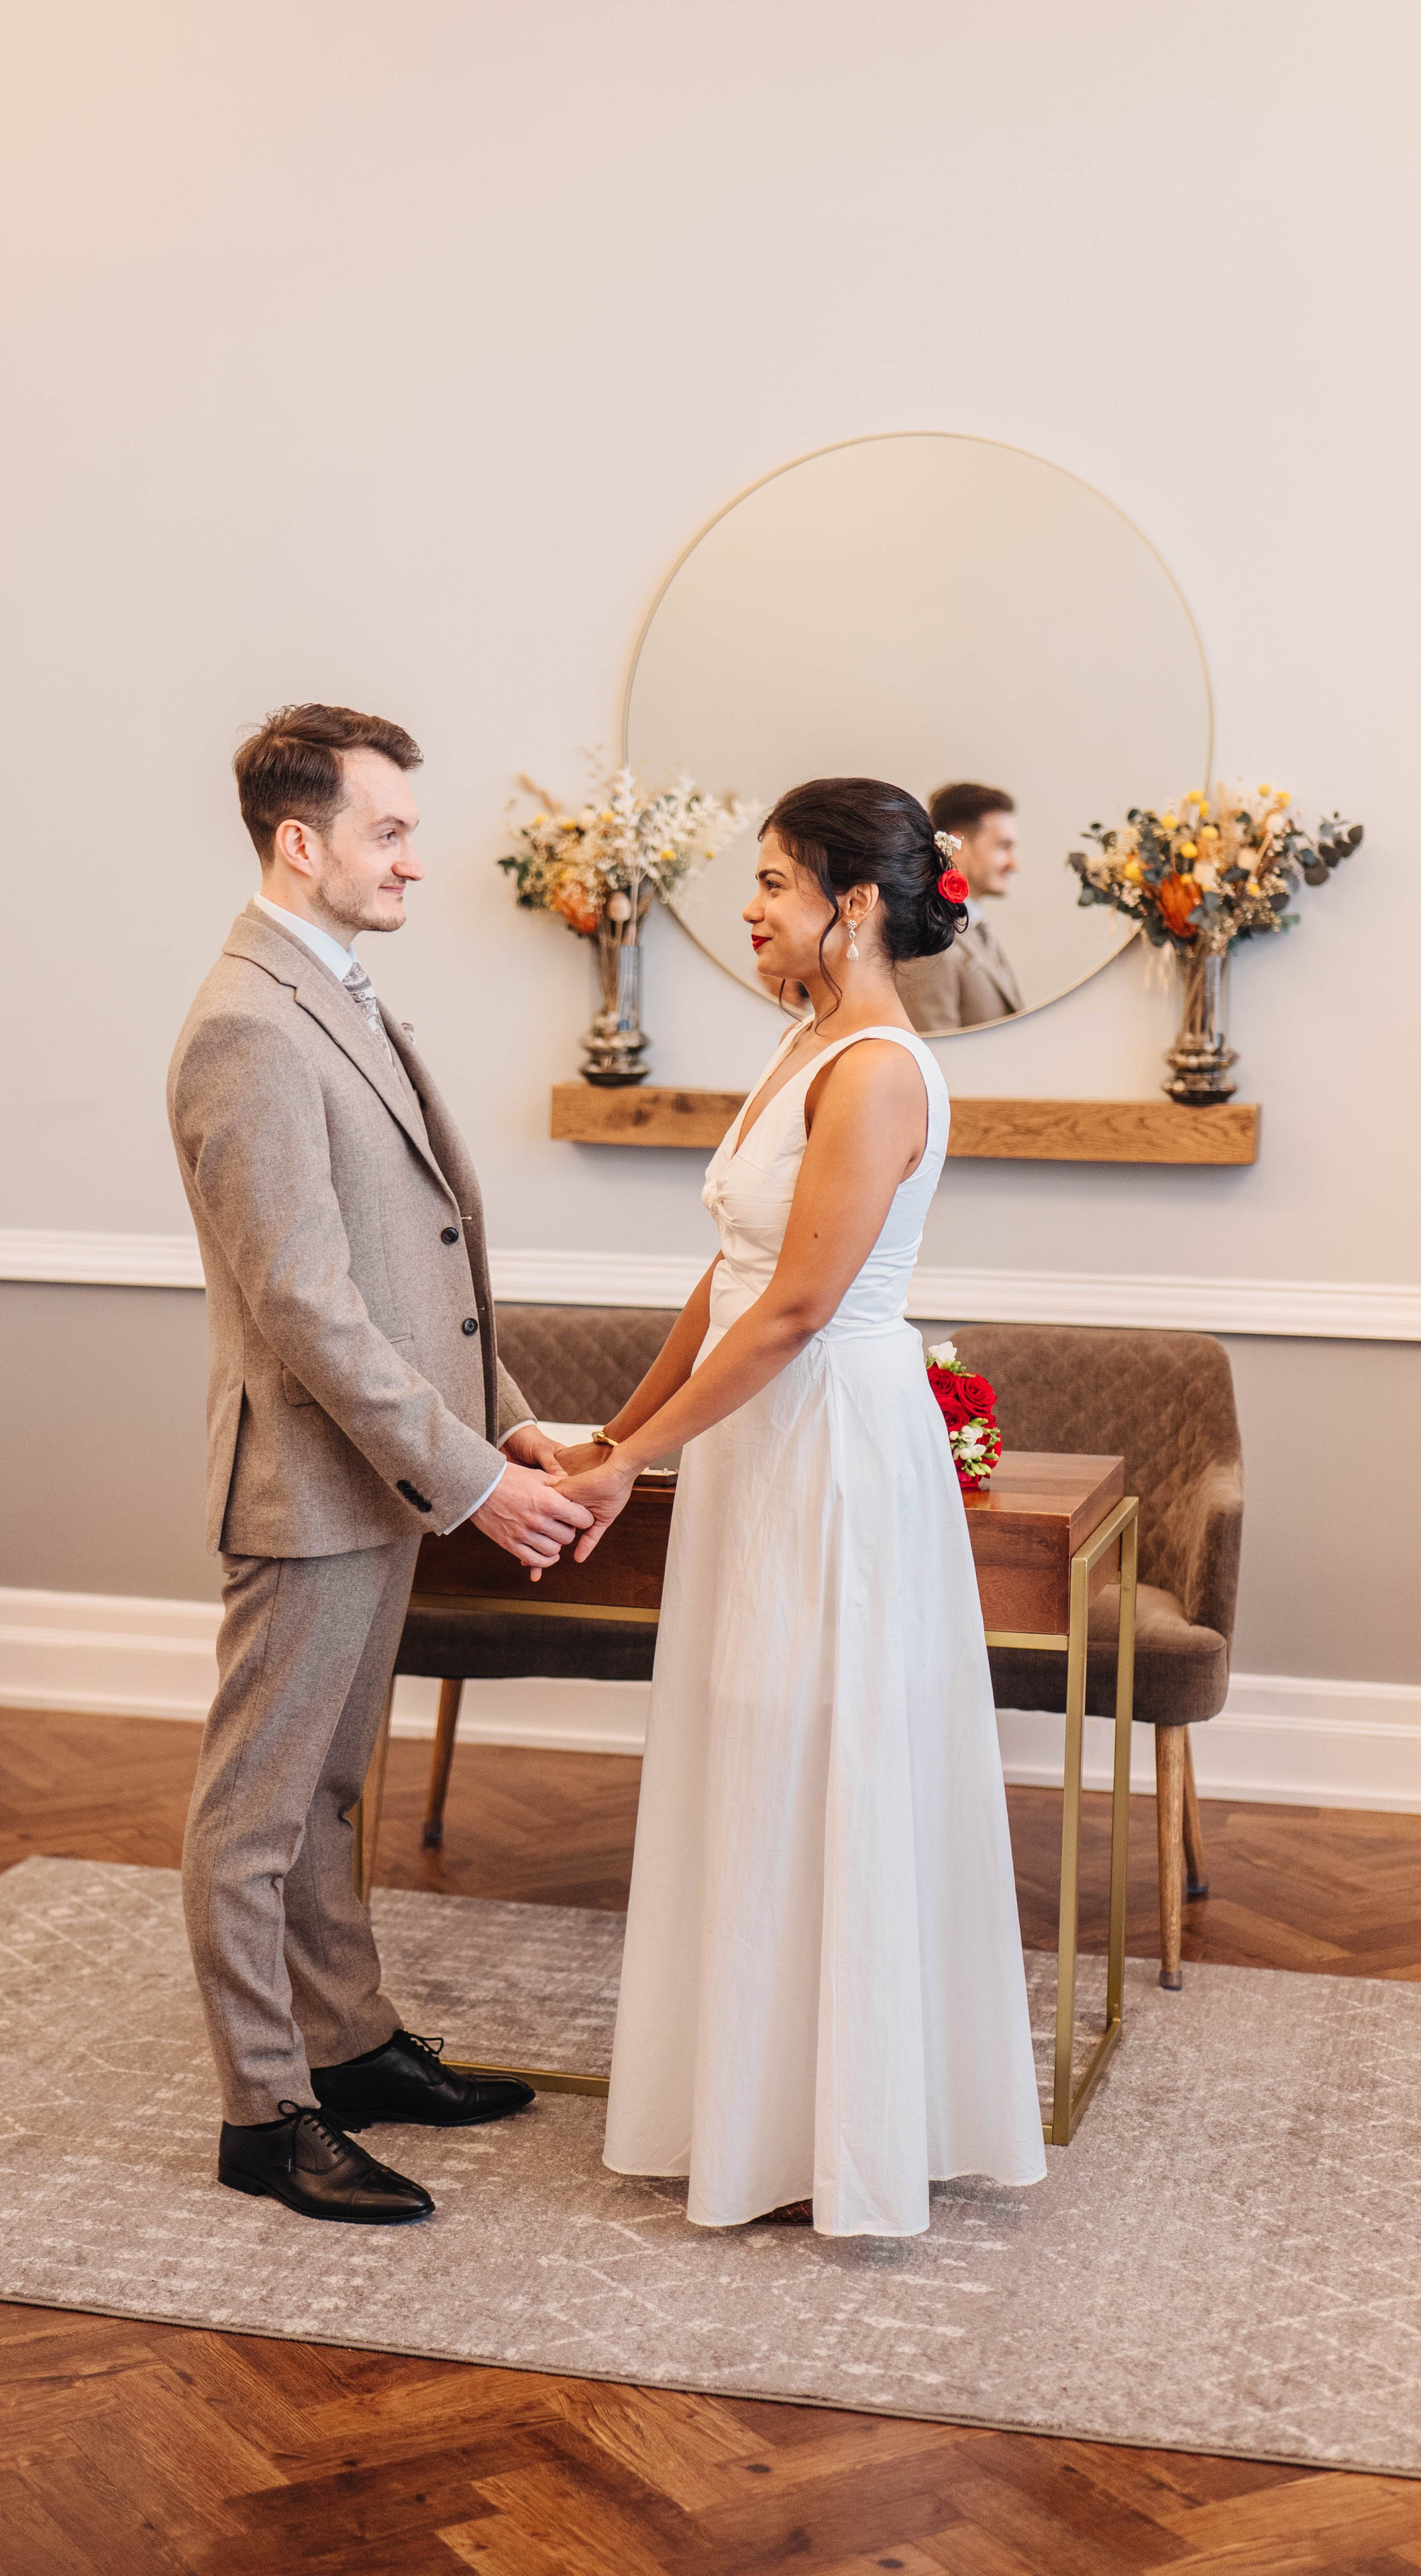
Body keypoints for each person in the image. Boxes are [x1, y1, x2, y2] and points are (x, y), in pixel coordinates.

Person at [556, 778, 1047, 2237]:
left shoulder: (880, 1068)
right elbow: (722, 1282)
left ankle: (849, 2129)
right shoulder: (801, 1045)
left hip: (829, 1439)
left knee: (823, 1749)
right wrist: (617, 1434)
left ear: (851, 903)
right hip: (751, 1443)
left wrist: (629, 1465)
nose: (749, 907)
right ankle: (748, 2107)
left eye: (770, 881)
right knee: (748, 1746)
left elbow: (794, 1310)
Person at [168, 702, 592, 2226]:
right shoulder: (245, 1022)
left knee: (333, 1787)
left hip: (378, 1477)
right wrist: (476, 1478)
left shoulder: (334, 993)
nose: (415, 856)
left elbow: (412, 1263)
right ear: (303, 840)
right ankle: (263, 2111)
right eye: (388, 830)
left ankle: (344, 2048)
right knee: (257, 1806)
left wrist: (510, 1410)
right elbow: (303, 1300)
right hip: (304, 1481)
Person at [894, 782, 1024, 1030]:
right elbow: (938, 1049)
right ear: (958, 845)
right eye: (1003, 847)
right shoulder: (930, 939)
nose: (1014, 864)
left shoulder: (976, 926)